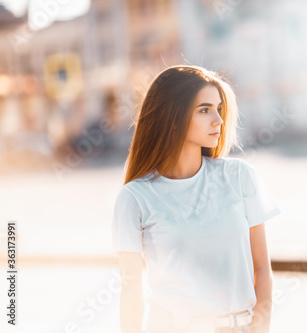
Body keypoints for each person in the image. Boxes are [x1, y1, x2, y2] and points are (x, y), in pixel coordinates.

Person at [111, 65, 282, 333]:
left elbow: (262, 269)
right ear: (172, 116)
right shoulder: (135, 197)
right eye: (204, 110)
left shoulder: (239, 177)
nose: (219, 120)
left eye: (219, 109)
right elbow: (131, 290)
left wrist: (260, 327)